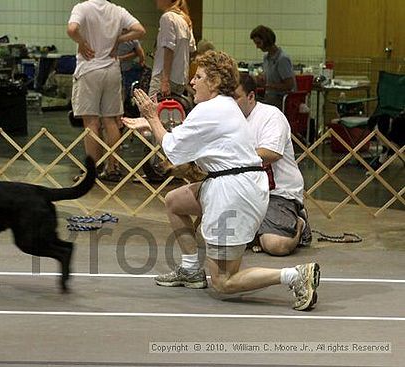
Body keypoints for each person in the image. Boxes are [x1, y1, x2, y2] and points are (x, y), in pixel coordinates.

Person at [123, 51, 320, 311]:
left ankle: (295, 275)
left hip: (233, 193)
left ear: (215, 82)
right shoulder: (221, 107)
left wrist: (151, 116)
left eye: (199, 76)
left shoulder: (211, 109)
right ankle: (191, 269)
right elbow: (187, 139)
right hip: (231, 184)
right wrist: (154, 127)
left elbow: (173, 149)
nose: (192, 82)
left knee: (223, 282)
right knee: (174, 201)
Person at [67, 0, 145, 181]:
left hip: (89, 69)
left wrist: (82, 42)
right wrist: (118, 39)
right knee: (111, 121)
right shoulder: (117, 10)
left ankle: (92, 171)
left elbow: (72, 29)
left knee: (91, 121)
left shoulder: (82, 8)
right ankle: (113, 168)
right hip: (112, 70)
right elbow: (140, 30)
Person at [235, 73, 312, 256]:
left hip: (277, 193)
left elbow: (271, 154)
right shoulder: (224, 119)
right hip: (242, 192)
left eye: (235, 97)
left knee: (275, 245)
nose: (230, 103)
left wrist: (232, 157)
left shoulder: (271, 116)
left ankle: (299, 223)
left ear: (251, 96)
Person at [150, 0, 196, 98]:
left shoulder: (167, 17)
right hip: (180, 79)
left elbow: (169, 48)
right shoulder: (185, 19)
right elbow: (191, 47)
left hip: (164, 77)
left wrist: (165, 80)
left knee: (152, 110)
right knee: (172, 112)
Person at [249, 25, 295, 110]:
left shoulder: (282, 59)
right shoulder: (266, 58)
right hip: (270, 98)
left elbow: (289, 85)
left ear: (266, 41)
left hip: (281, 101)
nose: (257, 47)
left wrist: (268, 85)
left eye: (259, 43)